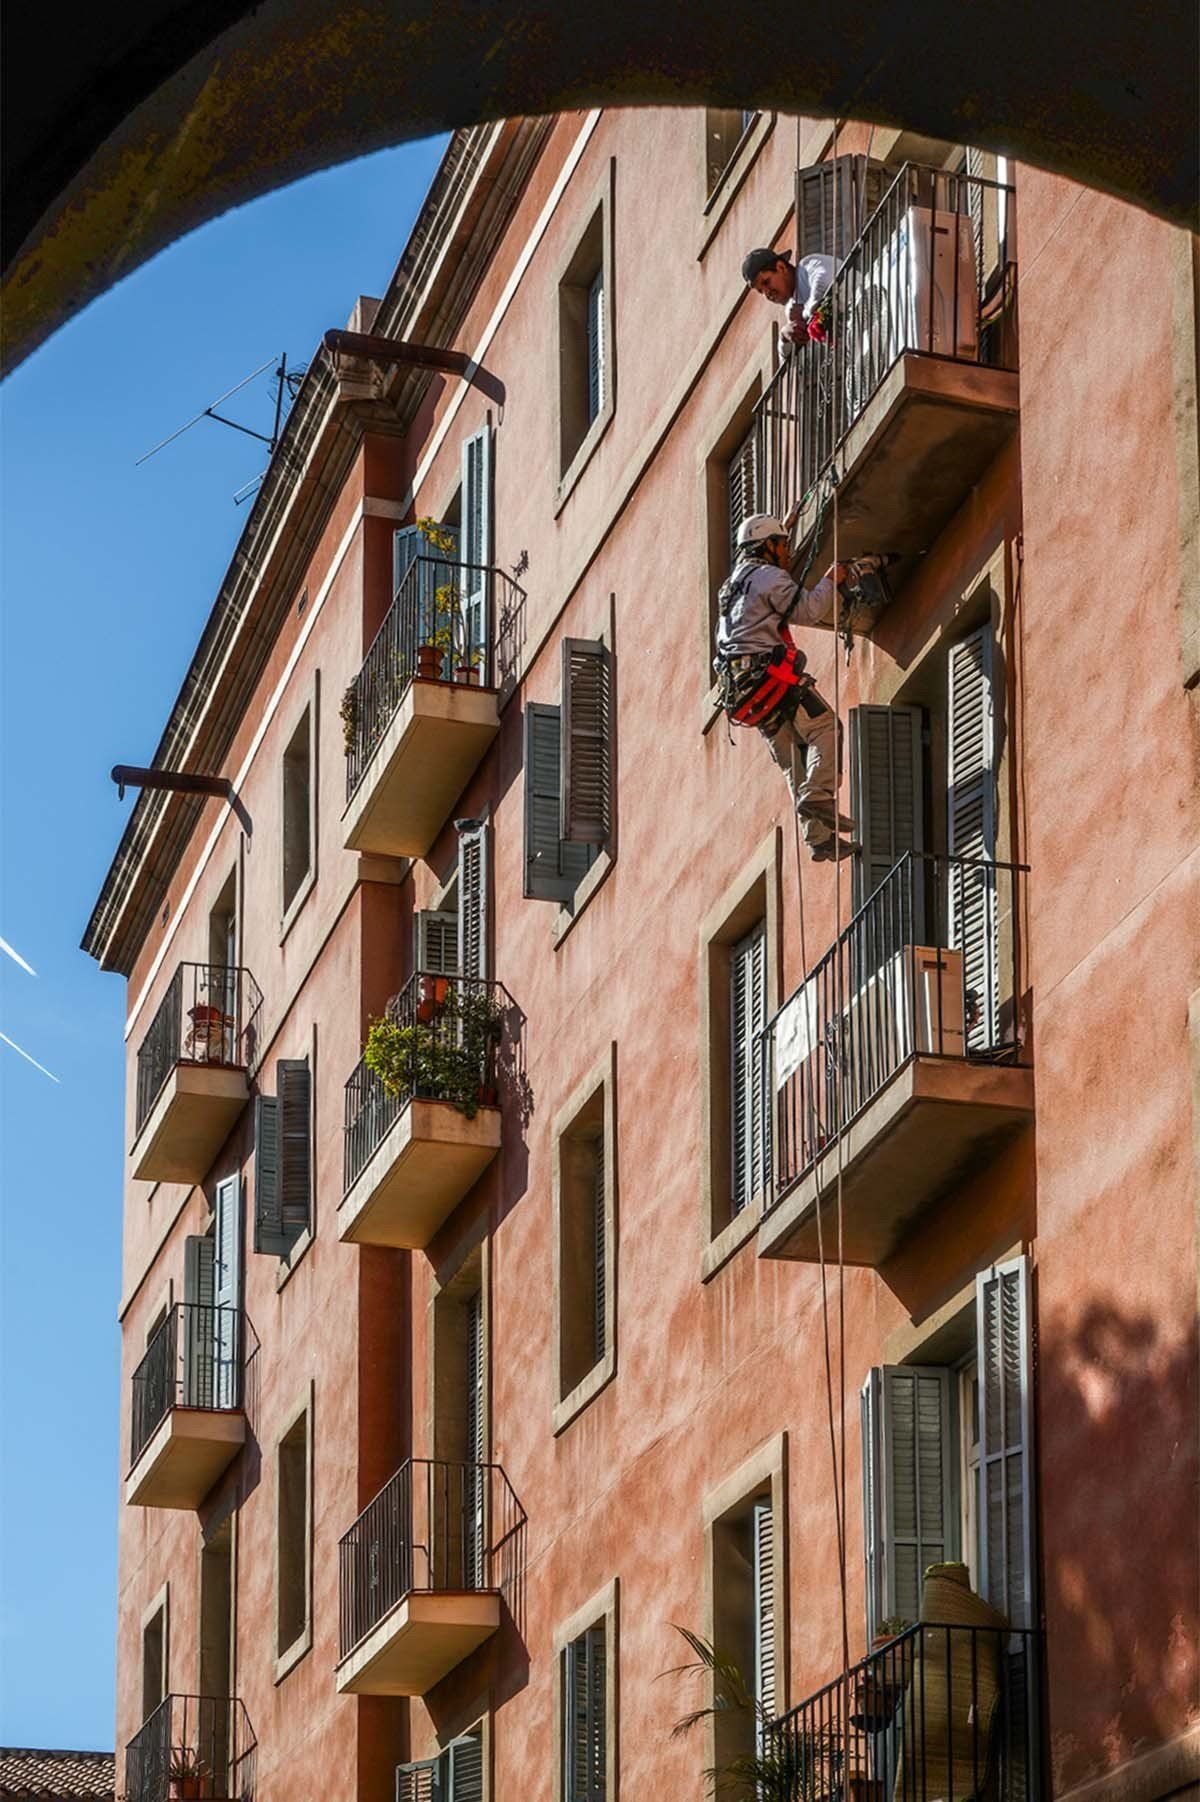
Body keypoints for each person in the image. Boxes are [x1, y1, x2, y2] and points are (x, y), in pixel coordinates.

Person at [714, 513, 857, 861]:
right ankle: (819, 793)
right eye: (783, 546)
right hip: (772, 680)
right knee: (826, 727)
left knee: (795, 760)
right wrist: (830, 581)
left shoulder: (730, 587)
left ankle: (818, 839)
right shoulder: (769, 577)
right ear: (767, 547)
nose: (788, 553)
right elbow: (807, 611)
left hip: (744, 693)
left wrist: (785, 525)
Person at [742, 245, 835, 352]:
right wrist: (784, 337)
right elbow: (787, 357)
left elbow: (826, 281)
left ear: (781, 267)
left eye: (766, 282)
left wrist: (804, 314)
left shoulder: (808, 266)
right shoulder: (791, 307)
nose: (767, 293)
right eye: (760, 291)